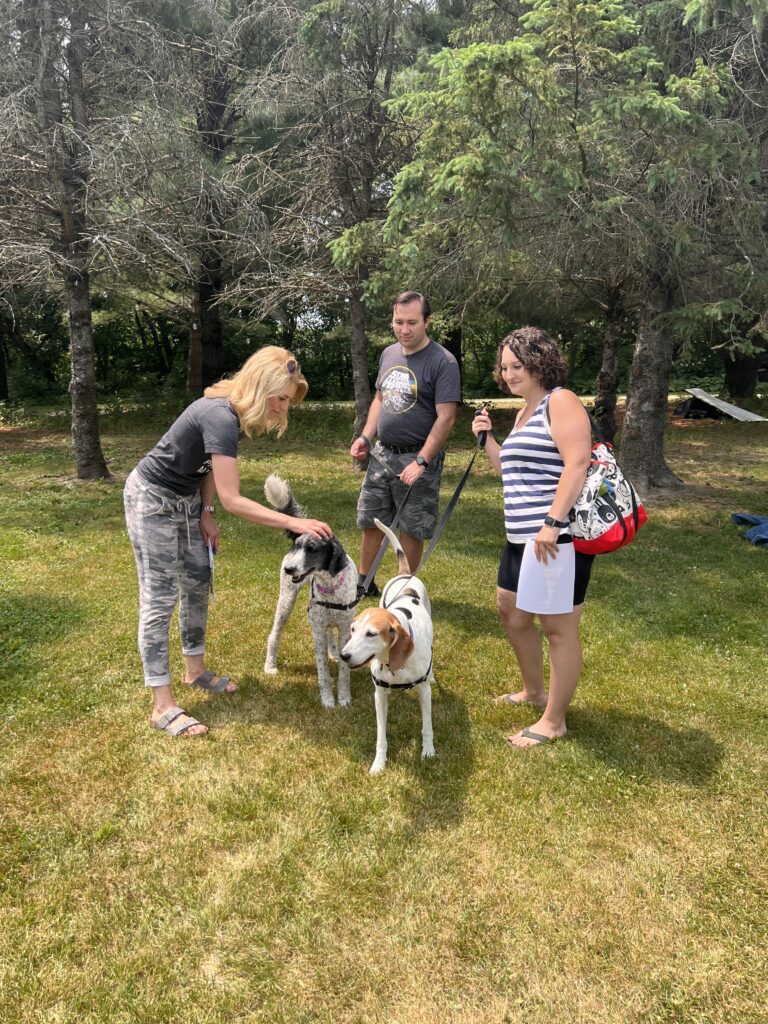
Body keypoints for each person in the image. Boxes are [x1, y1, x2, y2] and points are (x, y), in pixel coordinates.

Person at [124, 346, 333, 738]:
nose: (283, 408)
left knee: (199, 581)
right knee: (160, 597)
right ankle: (161, 705)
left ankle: (195, 671)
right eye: (282, 398)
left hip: (186, 499)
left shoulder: (232, 414)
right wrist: (294, 520)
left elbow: (208, 470)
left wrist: (205, 512)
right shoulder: (220, 416)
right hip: (151, 498)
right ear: (264, 386)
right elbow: (234, 499)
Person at [471, 327, 593, 748]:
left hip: (553, 539)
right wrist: (487, 440)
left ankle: (554, 721)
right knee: (513, 613)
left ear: (540, 362)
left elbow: (578, 462)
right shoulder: (526, 411)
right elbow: (509, 470)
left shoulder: (561, 401)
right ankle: (534, 691)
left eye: (516, 366)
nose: (508, 374)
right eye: (504, 367)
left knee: (558, 628)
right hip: (522, 538)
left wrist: (553, 523)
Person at [349, 291, 461, 596]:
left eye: (412, 322)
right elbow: (379, 400)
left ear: (427, 320)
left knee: (412, 526)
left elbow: (446, 418)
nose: (405, 329)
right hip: (382, 454)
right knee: (371, 518)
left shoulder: (443, 362)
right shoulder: (389, 354)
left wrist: (422, 461)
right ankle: (364, 581)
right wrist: (365, 436)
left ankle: (405, 588)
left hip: (417, 458)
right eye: (398, 322)